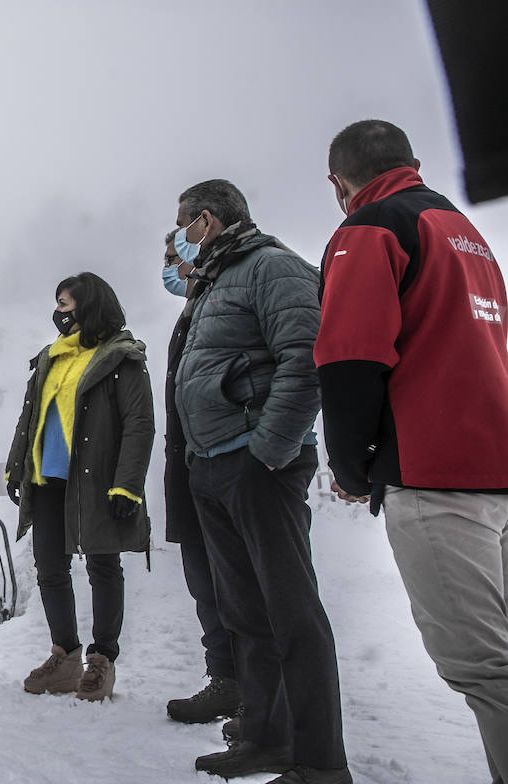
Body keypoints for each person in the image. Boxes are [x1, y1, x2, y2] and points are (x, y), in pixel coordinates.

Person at [316, 119, 508, 784]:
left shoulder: (369, 229)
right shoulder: (468, 236)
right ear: (414, 163)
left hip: (434, 474)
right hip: (495, 467)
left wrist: (350, 466)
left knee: (486, 669)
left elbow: (349, 356)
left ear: (339, 185)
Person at [171, 180, 350, 784]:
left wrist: (268, 452)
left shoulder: (272, 267)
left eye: (182, 227)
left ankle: (321, 762)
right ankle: (267, 738)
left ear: (206, 220)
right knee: (244, 612)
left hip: (257, 462)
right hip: (213, 463)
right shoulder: (215, 279)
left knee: (290, 612)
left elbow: (308, 357)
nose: (178, 239)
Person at [4, 272, 152, 702]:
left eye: (66, 305)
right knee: (50, 568)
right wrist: (17, 466)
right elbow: (30, 417)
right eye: (58, 305)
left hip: (97, 483)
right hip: (46, 478)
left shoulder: (120, 358)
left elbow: (139, 426)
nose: (59, 313)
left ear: (89, 307)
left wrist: (127, 487)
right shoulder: (51, 357)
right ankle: (64, 657)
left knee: (103, 567)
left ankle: (102, 661)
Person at [160, 229, 242, 724]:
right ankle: (227, 680)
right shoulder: (193, 308)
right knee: (205, 584)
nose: (167, 266)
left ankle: (261, 697)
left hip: (233, 461)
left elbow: (295, 364)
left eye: (172, 255)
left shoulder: (234, 292)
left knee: (240, 587)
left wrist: (270, 446)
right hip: (193, 463)